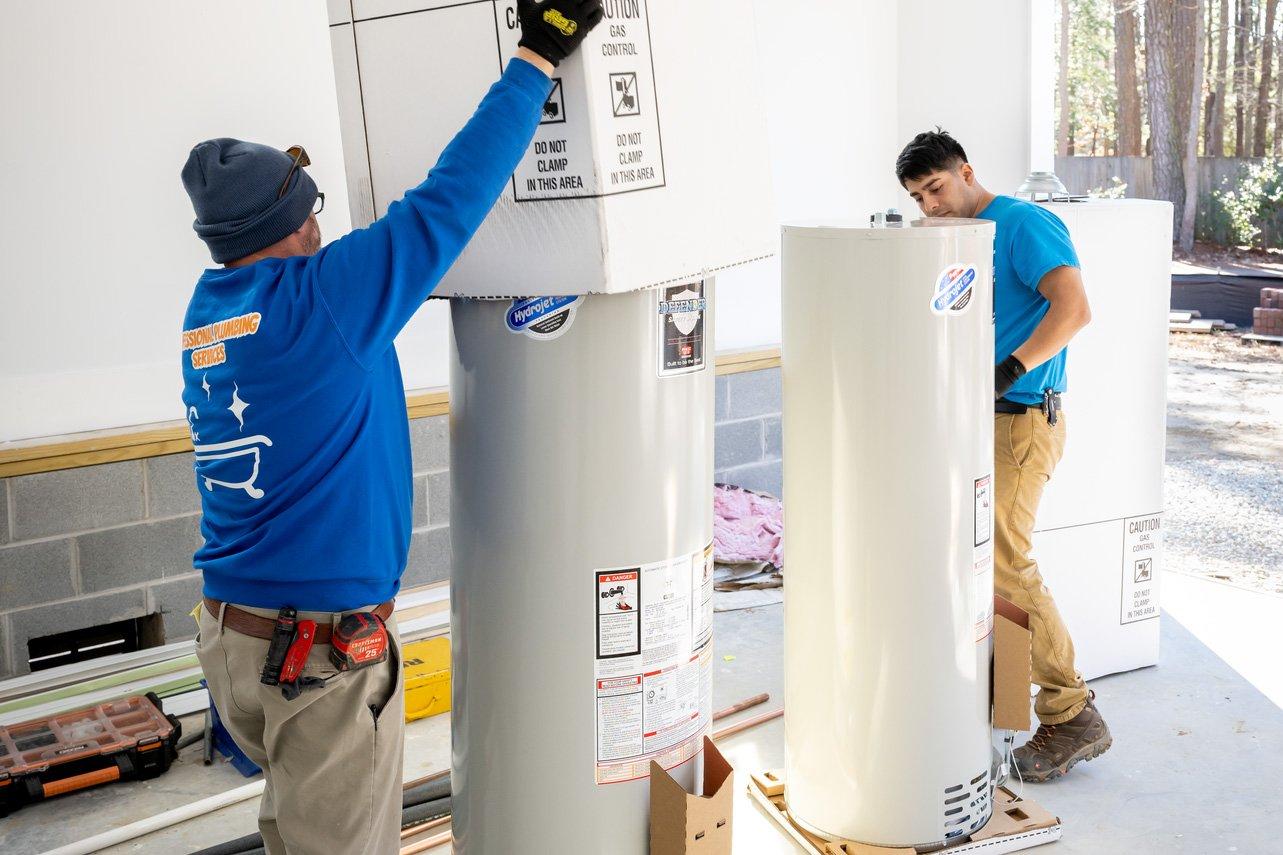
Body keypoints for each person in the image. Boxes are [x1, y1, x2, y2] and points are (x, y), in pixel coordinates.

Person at [178, 2, 603, 851]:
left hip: (234, 645)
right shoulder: (325, 298)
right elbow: (451, 197)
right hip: (317, 660)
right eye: (312, 210)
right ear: (291, 224)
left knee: (292, 828)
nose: (324, 223)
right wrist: (538, 53)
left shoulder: (208, 311)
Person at [895, 129, 1110, 783]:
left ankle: (1070, 711)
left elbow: (1073, 309)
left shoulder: (1020, 223)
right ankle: (986, 692)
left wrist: (1008, 368)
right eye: (915, 196)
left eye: (934, 188)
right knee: (968, 555)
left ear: (965, 171)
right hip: (974, 421)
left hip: (1021, 421)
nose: (928, 204)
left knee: (1005, 562)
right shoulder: (956, 239)